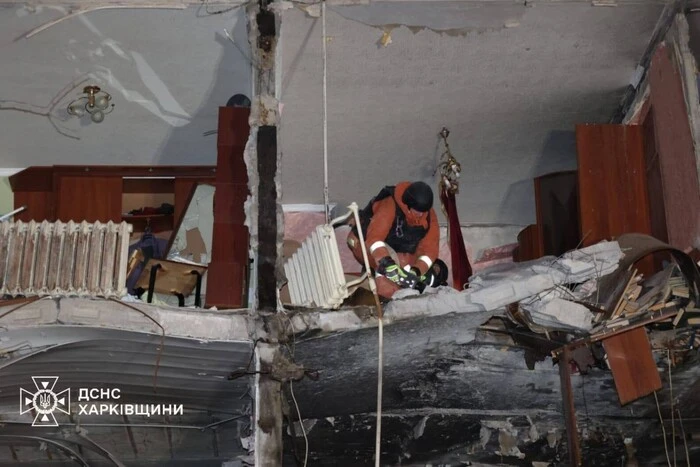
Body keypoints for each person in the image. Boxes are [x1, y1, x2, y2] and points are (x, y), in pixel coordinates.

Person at [347, 181, 446, 299]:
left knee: (405, 268)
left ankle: (391, 291)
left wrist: (416, 271)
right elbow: (374, 239)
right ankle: (386, 301)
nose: (420, 215)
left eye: (423, 212)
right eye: (417, 211)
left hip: (394, 248)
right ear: (408, 205)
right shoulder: (390, 204)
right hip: (362, 242)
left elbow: (429, 252)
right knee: (390, 272)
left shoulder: (429, 217)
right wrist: (387, 263)